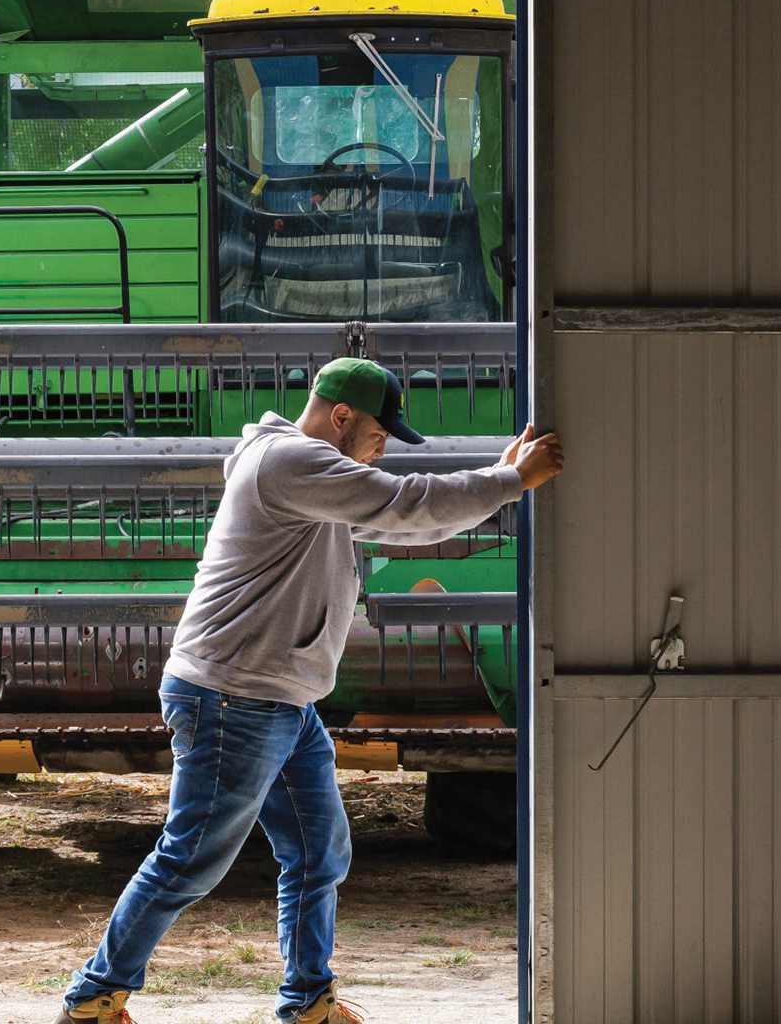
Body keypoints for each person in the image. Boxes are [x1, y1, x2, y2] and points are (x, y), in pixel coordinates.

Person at [57, 357, 564, 1024]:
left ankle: (308, 1004)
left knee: (319, 851)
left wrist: (504, 486)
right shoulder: (288, 464)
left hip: (279, 699)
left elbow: (406, 520)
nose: (384, 446)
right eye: (380, 432)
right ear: (342, 416)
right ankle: (94, 997)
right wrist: (508, 480)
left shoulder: (311, 475)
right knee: (189, 860)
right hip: (233, 694)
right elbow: (402, 500)